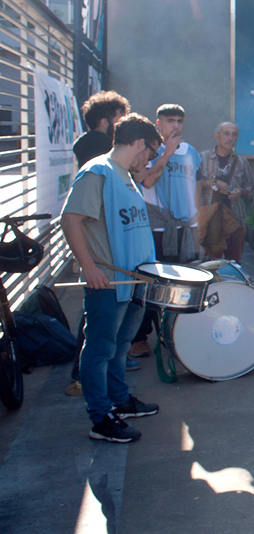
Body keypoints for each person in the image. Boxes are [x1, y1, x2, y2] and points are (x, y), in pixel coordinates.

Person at [61, 113, 163, 442]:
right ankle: (100, 417)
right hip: (107, 282)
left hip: (133, 281)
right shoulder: (97, 173)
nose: (150, 159)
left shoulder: (126, 176)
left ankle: (120, 401)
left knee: (120, 347)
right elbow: (71, 219)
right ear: (138, 143)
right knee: (100, 349)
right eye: (151, 151)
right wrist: (89, 267)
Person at [127, 103, 201, 359]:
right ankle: (140, 337)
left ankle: (175, 334)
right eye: (171, 120)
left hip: (185, 228)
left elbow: (197, 183)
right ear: (158, 123)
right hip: (157, 227)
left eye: (180, 121)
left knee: (181, 285)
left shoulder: (191, 151)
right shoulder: (149, 150)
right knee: (152, 285)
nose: (176, 126)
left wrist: (196, 214)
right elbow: (147, 180)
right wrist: (166, 152)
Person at [196, 122, 254, 262]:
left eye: (234, 135)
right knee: (210, 264)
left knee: (234, 264)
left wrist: (241, 191)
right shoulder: (202, 158)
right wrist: (212, 183)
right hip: (210, 220)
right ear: (217, 136)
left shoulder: (242, 162)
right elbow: (193, 186)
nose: (230, 138)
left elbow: (251, 189)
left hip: (235, 220)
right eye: (226, 134)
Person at [74, 91, 129, 166]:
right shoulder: (109, 147)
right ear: (104, 123)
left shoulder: (80, 144)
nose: (124, 125)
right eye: (120, 120)